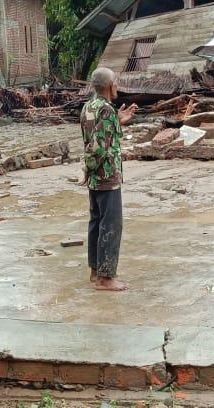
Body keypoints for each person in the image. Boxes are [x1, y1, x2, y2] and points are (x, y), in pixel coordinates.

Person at [80, 67, 137, 292]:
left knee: (97, 222)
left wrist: (118, 120)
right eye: (116, 82)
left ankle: (96, 270)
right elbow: (99, 146)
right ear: (110, 85)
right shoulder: (105, 110)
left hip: (96, 177)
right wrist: (89, 168)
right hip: (106, 176)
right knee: (111, 224)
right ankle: (106, 278)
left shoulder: (89, 107)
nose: (118, 86)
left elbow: (99, 134)